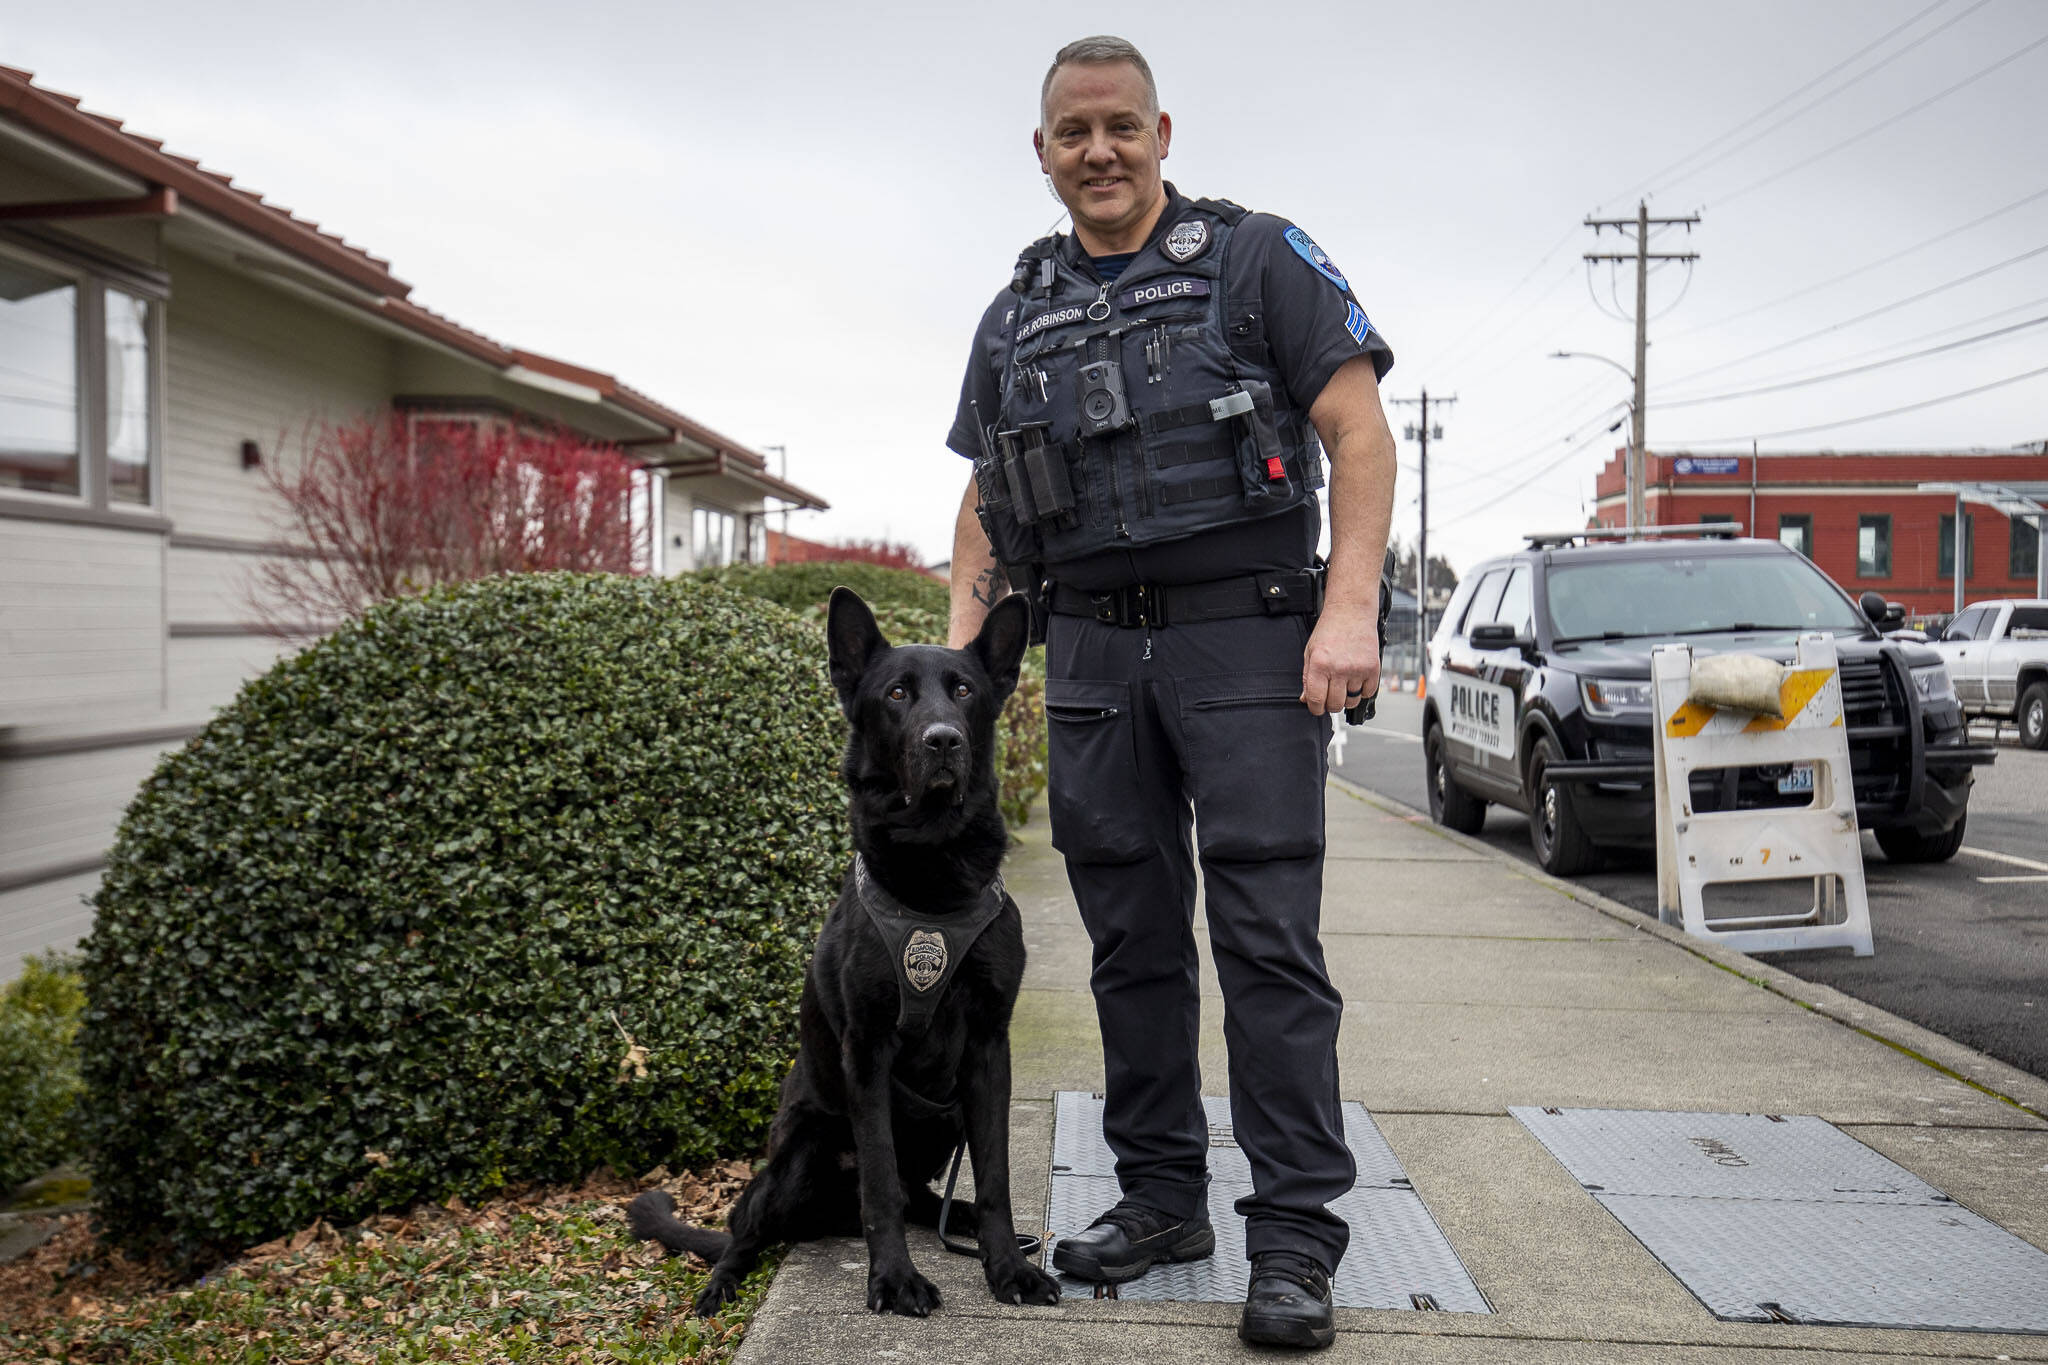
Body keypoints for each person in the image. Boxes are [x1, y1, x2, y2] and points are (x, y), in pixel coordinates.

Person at [943, 35, 1396, 1351]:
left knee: (1266, 939)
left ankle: (1298, 1234)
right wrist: (966, 669)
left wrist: (1352, 606)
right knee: (1131, 943)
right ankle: (1159, 1199)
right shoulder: (1016, 309)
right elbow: (982, 501)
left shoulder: (1259, 260)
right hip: (1087, 650)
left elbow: (1356, 429)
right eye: (1074, 132)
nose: (1100, 152)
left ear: (1163, 133)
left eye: (1122, 128)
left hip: (1247, 643)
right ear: (1042, 151)